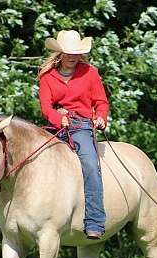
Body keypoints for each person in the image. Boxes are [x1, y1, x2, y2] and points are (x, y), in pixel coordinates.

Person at [38, 30, 108, 239]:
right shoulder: (47, 77)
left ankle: (95, 221)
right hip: (56, 126)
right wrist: (58, 119)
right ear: (59, 53)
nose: (72, 56)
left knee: (90, 165)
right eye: (68, 52)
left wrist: (101, 117)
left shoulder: (90, 73)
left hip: (81, 126)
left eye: (76, 53)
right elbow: (46, 107)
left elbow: (101, 102)